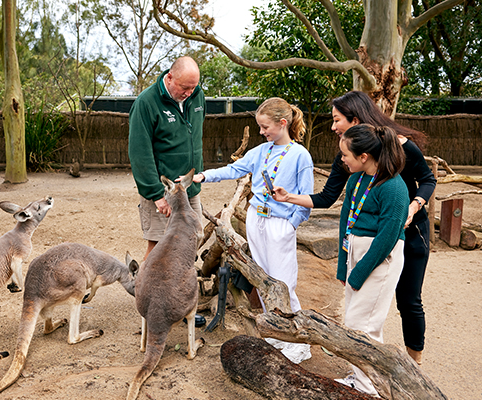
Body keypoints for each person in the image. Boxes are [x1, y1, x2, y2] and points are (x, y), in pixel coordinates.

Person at [272, 91, 436, 366]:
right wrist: (289, 197)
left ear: (356, 119)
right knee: (365, 309)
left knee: (408, 300)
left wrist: (413, 205)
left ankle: (414, 363)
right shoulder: (349, 158)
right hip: (371, 234)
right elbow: (326, 198)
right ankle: (369, 359)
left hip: (408, 228)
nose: (333, 126)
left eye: (337, 120)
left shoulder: (401, 147)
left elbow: (427, 179)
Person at [185, 97, 314, 363]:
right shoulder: (261, 151)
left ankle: (298, 339)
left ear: (282, 123)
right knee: (263, 279)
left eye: (265, 126)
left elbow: (307, 197)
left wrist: (291, 224)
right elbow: (234, 169)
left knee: (283, 281)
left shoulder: (300, 155)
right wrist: (204, 176)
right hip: (257, 220)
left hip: (280, 224)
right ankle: (276, 333)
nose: (261, 131)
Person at [330, 123, 408, 396]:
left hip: (378, 261)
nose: (342, 159)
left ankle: (368, 389)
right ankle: (360, 379)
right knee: (355, 322)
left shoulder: (394, 187)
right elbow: (345, 223)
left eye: (345, 155)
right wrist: (344, 265)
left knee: (362, 325)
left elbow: (388, 237)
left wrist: (359, 272)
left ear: (364, 156)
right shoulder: (356, 180)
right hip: (356, 255)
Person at [128, 56, 206, 327]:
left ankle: (179, 303)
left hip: (189, 187)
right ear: (169, 77)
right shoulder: (147, 103)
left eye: (193, 88)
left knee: (189, 243)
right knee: (158, 244)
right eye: (184, 88)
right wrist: (155, 194)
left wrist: (196, 177)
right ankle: (147, 304)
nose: (189, 93)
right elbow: (139, 153)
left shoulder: (197, 96)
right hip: (164, 191)